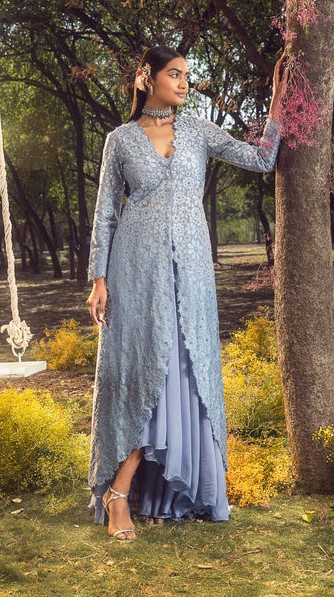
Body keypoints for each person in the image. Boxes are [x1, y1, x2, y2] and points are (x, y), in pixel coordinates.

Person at [86, 45, 288, 540]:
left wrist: (279, 103)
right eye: (174, 74)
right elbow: (106, 213)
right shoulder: (120, 141)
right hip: (135, 270)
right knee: (140, 375)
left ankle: (163, 495)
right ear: (145, 78)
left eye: (186, 76)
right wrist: (98, 279)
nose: (183, 83)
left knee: (181, 375)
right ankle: (117, 495)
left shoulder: (198, 129)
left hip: (192, 272)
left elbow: (261, 158)